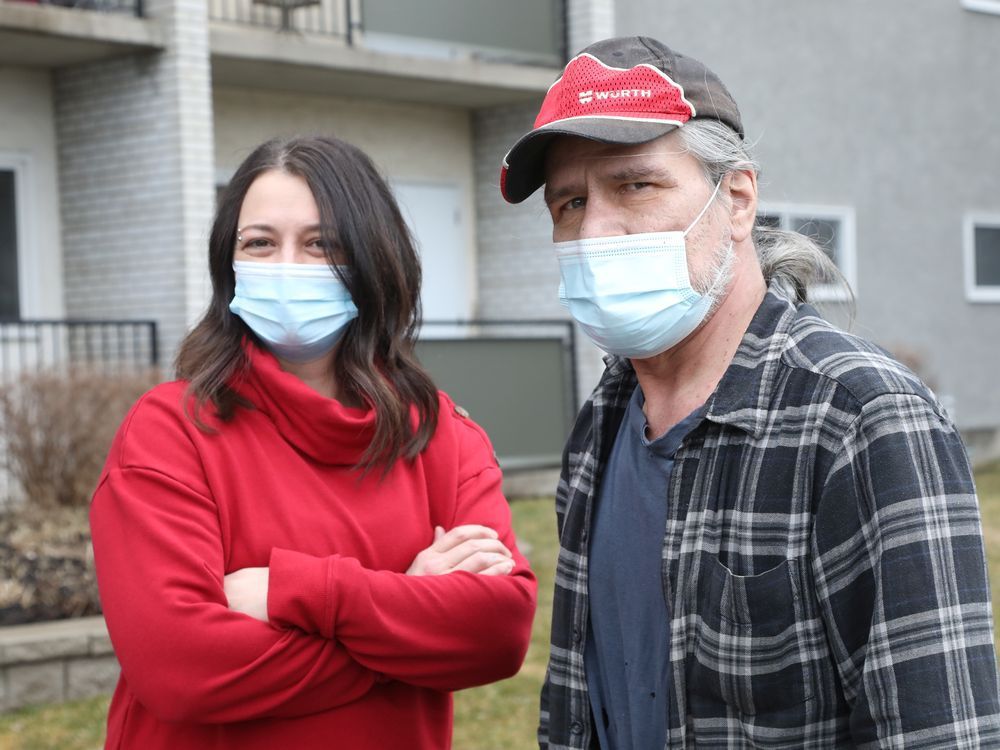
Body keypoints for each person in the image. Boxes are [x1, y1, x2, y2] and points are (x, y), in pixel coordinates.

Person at [499, 36, 1000, 748]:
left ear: (736, 200)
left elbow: (938, 728)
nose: (596, 229)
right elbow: (582, 700)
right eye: (570, 203)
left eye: (635, 185)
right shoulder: (601, 427)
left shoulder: (861, 420)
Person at [90, 135, 537, 749]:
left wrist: (295, 593)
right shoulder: (172, 431)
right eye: (260, 243)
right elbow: (181, 667)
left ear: (373, 259)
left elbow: (497, 633)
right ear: (230, 264)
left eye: (322, 243)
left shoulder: (441, 435)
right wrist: (409, 613)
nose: (286, 266)